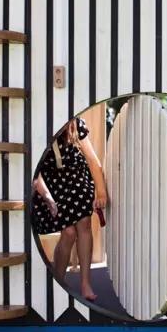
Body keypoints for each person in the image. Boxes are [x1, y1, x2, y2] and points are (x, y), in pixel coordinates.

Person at [32, 117, 108, 301]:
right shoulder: (39, 123)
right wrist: (47, 197)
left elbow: (92, 160)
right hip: (52, 183)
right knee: (68, 232)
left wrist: (101, 192)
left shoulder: (76, 124)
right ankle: (59, 281)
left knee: (84, 224)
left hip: (77, 177)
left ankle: (85, 283)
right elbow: (35, 174)